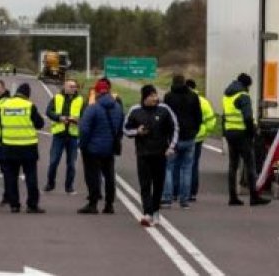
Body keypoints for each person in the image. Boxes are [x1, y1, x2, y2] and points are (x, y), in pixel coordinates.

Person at [124, 84, 178, 226]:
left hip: (160, 153)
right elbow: (125, 129)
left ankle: (155, 211)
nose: (155, 98)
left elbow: (175, 128)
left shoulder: (164, 109)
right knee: (145, 184)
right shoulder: (135, 110)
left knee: (158, 184)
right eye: (151, 96)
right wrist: (137, 131)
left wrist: (171, 147)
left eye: (155, 95)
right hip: (143, 153)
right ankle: (147, 213)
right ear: (144, 97)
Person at [0, 82, 46, 213]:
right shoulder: (29, 106)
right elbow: (40, 124)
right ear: (27, 95)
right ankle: (32, 205)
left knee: (11, 177)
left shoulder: (4, 105)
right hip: (28, 147)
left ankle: (14, 205)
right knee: (30, 177)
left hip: (9, 147)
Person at [77, 78, 124, 214]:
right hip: (109, 148)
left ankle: (93, 203)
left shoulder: (93, 108)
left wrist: (83, 145)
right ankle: (109, 204)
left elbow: (84, 129)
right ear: (108, 91)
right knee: (109, 176)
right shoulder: (117, 107)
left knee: (92, 175)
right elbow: (120, 127)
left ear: (97, 92)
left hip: (93, 148)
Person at [223, 73, 269, 206]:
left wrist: (225, 132)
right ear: (246, 84)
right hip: (242, 134)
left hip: (230, 132)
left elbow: (225, 115)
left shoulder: (227, 95)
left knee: (233, 165)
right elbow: (248, 118)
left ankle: (233, 197)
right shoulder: (243, 96)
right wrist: (253, 132)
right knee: (250, 165)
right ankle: (254, 197)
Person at [161, 73, 202, 209]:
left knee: (169, 168)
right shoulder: (193, 96)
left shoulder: (168, 97)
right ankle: (184, 201)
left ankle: (167, 198)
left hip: (172, 138)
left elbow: (164, 116)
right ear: (184, 82)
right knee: (187, 169)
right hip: (189, 137)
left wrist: (166, 134)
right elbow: (199, 117)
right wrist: (194, 131)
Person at [44, 78, 83, 194]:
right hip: (59, 134)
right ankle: (50, 184)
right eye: (70, 86)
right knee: (53, 161)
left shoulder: (81, 100)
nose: (72, 88)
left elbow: (86, 115)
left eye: (74, 86)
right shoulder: (57, 98)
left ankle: (69, 187)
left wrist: (77, 120)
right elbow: (48, 111)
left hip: (72, 135)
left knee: (71, 163)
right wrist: (59, 118)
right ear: (64, 87)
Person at [186, 78, 217, 202]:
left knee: (181, 165)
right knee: (194, 166)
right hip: (198, 137)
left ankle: (178, 192)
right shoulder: (203, 102)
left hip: (185, 136)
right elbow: (211, 120)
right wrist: (205, 131)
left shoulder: (180, 99)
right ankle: (192, 193)